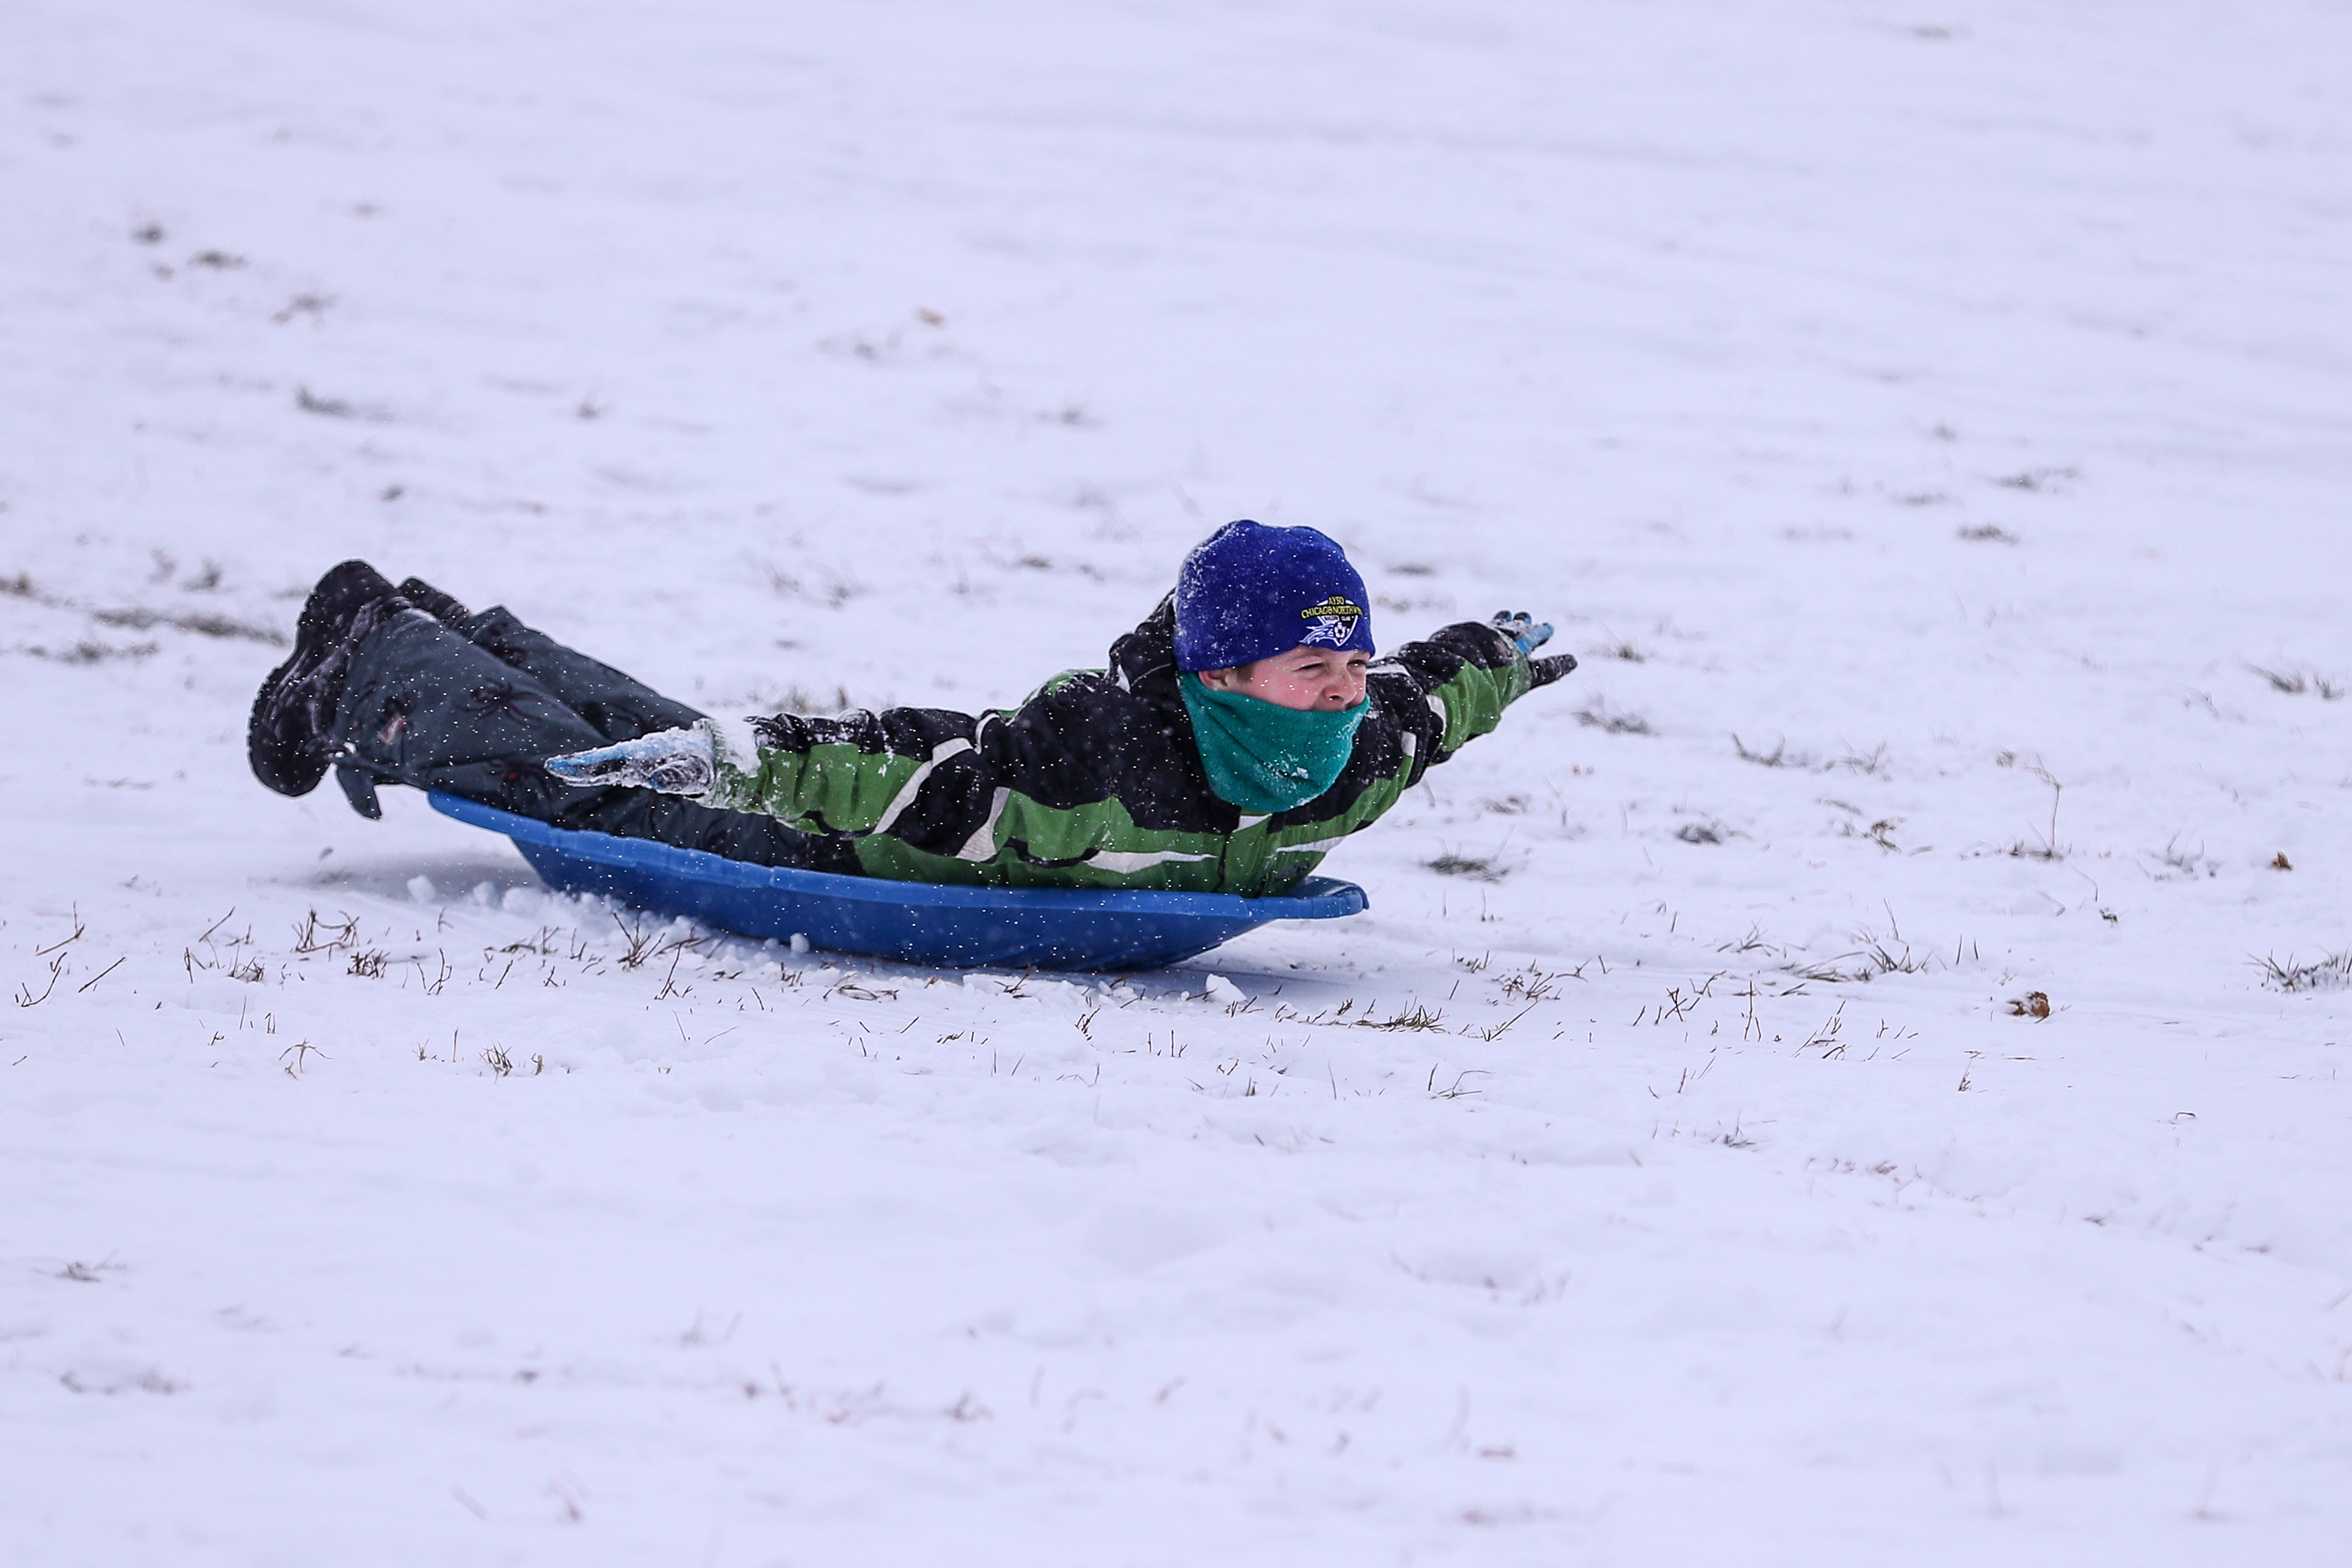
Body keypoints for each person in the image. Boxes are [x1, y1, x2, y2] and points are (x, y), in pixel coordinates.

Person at [248, 520, 1575, 895]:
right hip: (840, 844)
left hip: (889, 824)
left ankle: (463, 642)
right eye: (1308, 674)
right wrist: (745, 769)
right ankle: (370, 659)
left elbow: (1429, 701)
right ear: (1216, 677)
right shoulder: (1093, 758)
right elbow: (899, 772)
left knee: (647, 737)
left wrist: (1497, 659)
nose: (1340, 700)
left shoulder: (1357, 750)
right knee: (602, 785)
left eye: (1347, 671)